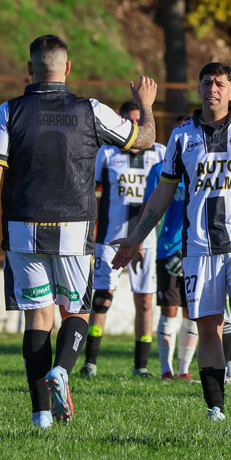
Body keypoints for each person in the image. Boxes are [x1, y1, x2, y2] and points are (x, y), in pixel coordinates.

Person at [0, 34, 157, 428]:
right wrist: (145, 104)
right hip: (74, 228)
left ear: (30, 68)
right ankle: (62, 369)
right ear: (68, 68)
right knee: (77, 310)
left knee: (37, 318)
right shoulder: (90, 109)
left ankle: (40, 415)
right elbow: (144, 140)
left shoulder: (9, 110)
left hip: (22, 226)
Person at [111, 62, 231, 423]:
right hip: (199, 246)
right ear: (198, 89)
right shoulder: (181, 136)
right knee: (209, 325)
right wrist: (135, 237)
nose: (213, 88)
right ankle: (215, 406)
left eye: (220, 84)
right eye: (207, 82)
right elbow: (164, 192)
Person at [79, 101, 166, 379]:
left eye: (139, 121)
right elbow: (87, 191)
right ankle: (90, 363)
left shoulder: (161, 153)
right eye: (129, 121)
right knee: (102, 298)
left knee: (145, 302)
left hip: (147, 241)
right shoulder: (106, 153)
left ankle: (141, 366)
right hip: (110, 239)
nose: (134, 126)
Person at [143, 115, 200, 382]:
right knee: (169, 309)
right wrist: (141, 242)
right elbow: (150, 210)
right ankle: (166, 370)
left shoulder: (202, 166)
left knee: (193, 312)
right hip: (168, 250)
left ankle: (183, 370)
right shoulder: (158, 170)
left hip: (197, 250)